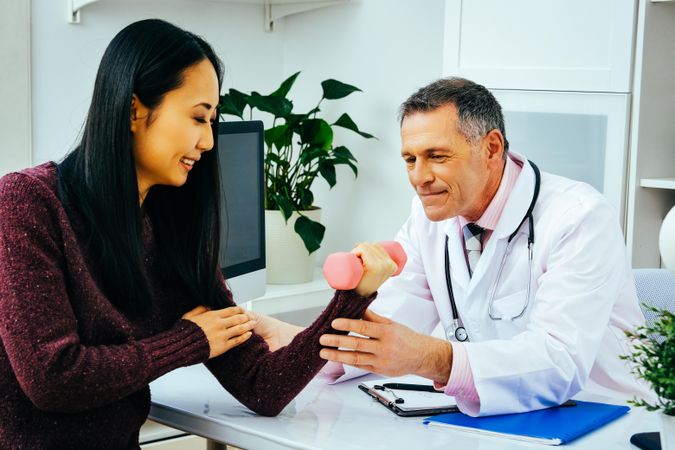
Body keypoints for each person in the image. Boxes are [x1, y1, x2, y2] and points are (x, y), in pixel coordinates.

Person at [0, 19, 397, 448]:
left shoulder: (172, 230)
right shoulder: (27, 203)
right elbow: (52, 378)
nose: (208, 141)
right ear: (134, 110)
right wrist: (189, 342)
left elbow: (263, 386)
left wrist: (351, 297)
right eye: (197, 118)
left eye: (212, 121)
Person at [253, 77, 654, 417]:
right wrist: (302, 341)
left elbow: (560, 361)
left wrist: (432, 358)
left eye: (437, 156)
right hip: (507, 420)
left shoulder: (579, 217)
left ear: (492, 149)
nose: (419, 177)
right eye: (409, 159)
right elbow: (390, 323)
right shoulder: (431, 218)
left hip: (606, 418)